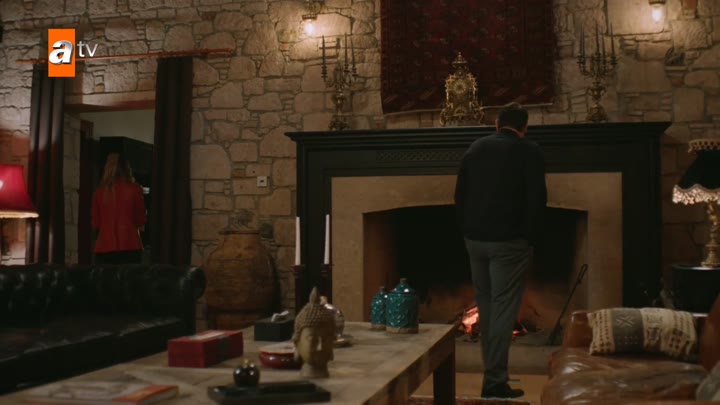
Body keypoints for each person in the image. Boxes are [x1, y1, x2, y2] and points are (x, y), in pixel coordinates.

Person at [454, 102, 547, 399]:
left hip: (475, 240)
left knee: (487, 308)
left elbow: (459, 195)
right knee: (503, 311)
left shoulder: (476, 148)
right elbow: (537, 199)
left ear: (497, 125)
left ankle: (492, 377)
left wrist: (467, 231)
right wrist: (530, 238)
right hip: (510, 242)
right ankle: (494, 381)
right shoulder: (529, 151)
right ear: (524, 127)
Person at [92, 153, 146, 265]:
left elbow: (96, 223)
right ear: (127, 169)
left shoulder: (99, 193)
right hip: (130, 245)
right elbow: (141, 220)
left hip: (104, 247)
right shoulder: (135, 189)